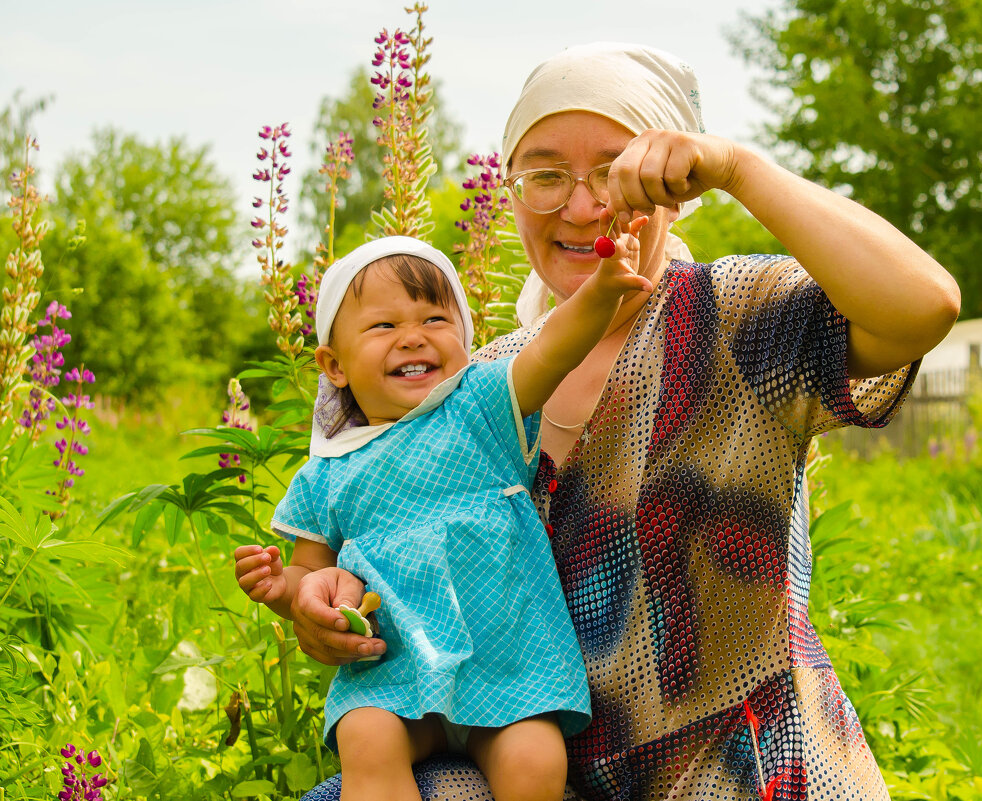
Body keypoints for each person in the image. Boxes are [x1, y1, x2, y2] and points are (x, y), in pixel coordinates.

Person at [292, 43, 960, 801]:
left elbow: (923, 305)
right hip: (555, 771)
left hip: (746, 763)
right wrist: (325, 608)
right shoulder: (485, 384)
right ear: (513, 193)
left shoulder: (732, 316)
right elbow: (405, 547)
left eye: (613, 173)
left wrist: (739, 169)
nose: (581, 209)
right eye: (545, 176)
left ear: (674, 187)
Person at [234, 229, 655, 801]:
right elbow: (312, 577)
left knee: (535, 762)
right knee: (366, 738)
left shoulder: (480, 405)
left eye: (435, 320)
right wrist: (282, 588)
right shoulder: (327, 472)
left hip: (510, 662)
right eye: (383, 326)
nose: (412, 339)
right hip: (392, 673)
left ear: (464, 338)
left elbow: (554, 347)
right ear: (334, 365)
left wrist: (602, 290)